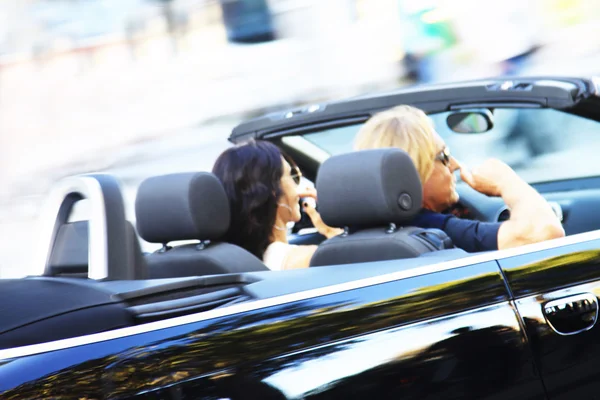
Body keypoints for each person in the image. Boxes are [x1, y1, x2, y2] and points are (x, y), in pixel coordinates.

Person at [354, 105, 565, 252]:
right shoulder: (432, 230)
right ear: (414, 172)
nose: (455, 165)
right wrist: (507, 181)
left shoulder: (345, 239)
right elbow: (544, 233)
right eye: (444, 156)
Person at [212, 140, 342, 270]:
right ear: (274, 191)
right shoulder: (306, 259)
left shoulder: (224, 262)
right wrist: (334, 230)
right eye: (292, 175)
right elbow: (353, 262)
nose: (299, 185)